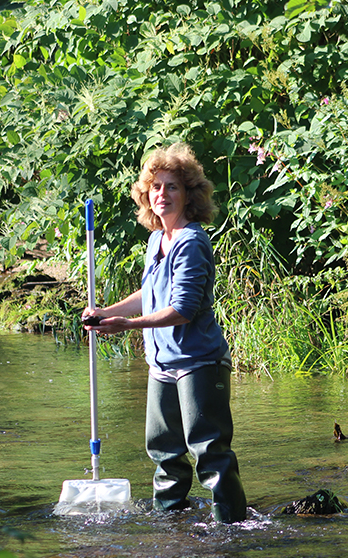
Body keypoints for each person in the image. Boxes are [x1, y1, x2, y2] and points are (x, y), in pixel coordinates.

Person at [82, 142, 247, 523]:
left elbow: (183, 310)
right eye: (155, 187)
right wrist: (108, 312)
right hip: (162, 364)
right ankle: (169, 524)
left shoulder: (190, 242)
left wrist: (127, 326)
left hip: (199, 363)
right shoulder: (157, 240)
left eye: (172, 186)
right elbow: (151, 294)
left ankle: (233, 529)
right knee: (164, 450)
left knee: (209, 451)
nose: (162, 195)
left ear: (189, 194)